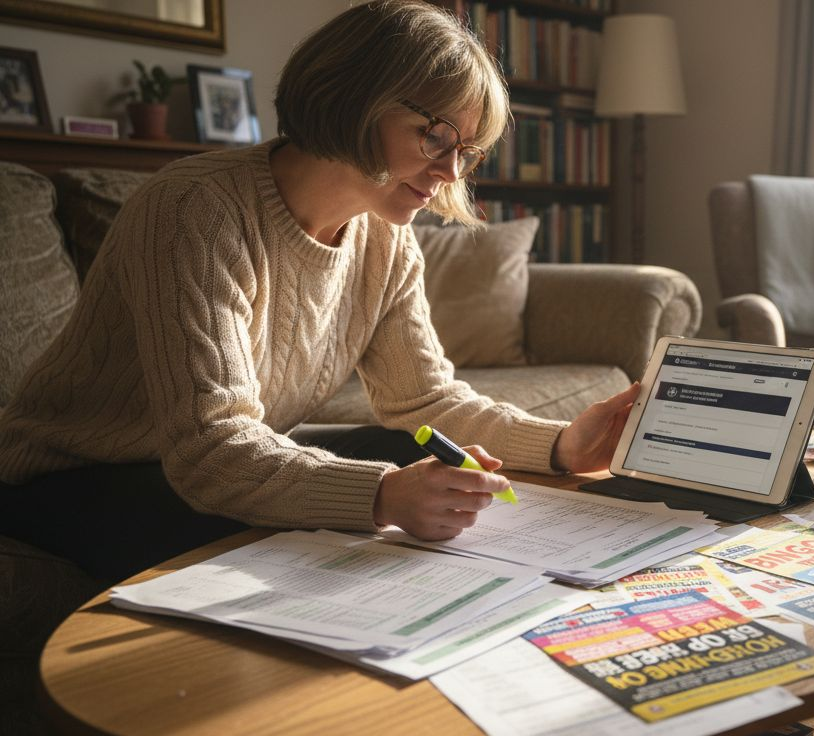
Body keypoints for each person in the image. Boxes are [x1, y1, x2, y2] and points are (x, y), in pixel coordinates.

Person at [0, 0, 638, 582]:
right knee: (362, 504)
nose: (450, 173)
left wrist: (561, 444)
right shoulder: (194, 209)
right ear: (357, 96)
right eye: (436, 136)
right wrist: (384, 496)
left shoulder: (384, 241)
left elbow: (423, 400)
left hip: (188, 461)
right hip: (70, 476)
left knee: (415, 456)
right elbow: (210, 449)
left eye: (466, 152)